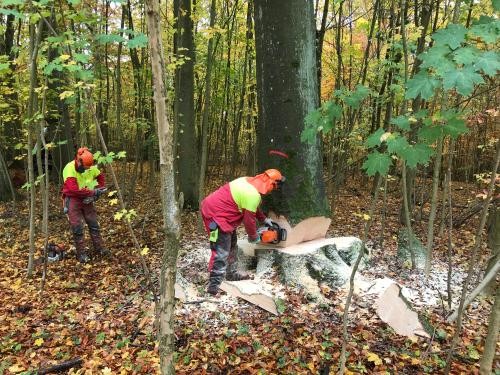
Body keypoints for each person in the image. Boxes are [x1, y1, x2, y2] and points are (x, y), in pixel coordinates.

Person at [200, 169, 285, 295]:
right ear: (270, 184)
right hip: (215, 215)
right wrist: (253, 237)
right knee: (221, 250)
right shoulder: (252, 194)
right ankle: (213, 287)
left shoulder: (248, 181)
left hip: (222, 212)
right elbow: (249, 220)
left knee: (232, 243)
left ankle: (231, 274)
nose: (273, 190)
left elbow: (251, 206)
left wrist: (264, 219)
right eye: (274, 187)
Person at [62, 147, 109, 263]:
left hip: (87, 198)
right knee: (77, 227)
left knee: (93, 224)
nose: (87, 170)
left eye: (88, 168)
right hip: (73, 199)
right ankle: (81, 253)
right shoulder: (69, 169)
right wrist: (93, 192)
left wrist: (98, 189)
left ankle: (99, 248)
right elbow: (73, 189)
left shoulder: (91, 167)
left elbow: (100, 176)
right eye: (85, 167)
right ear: (78, 161)